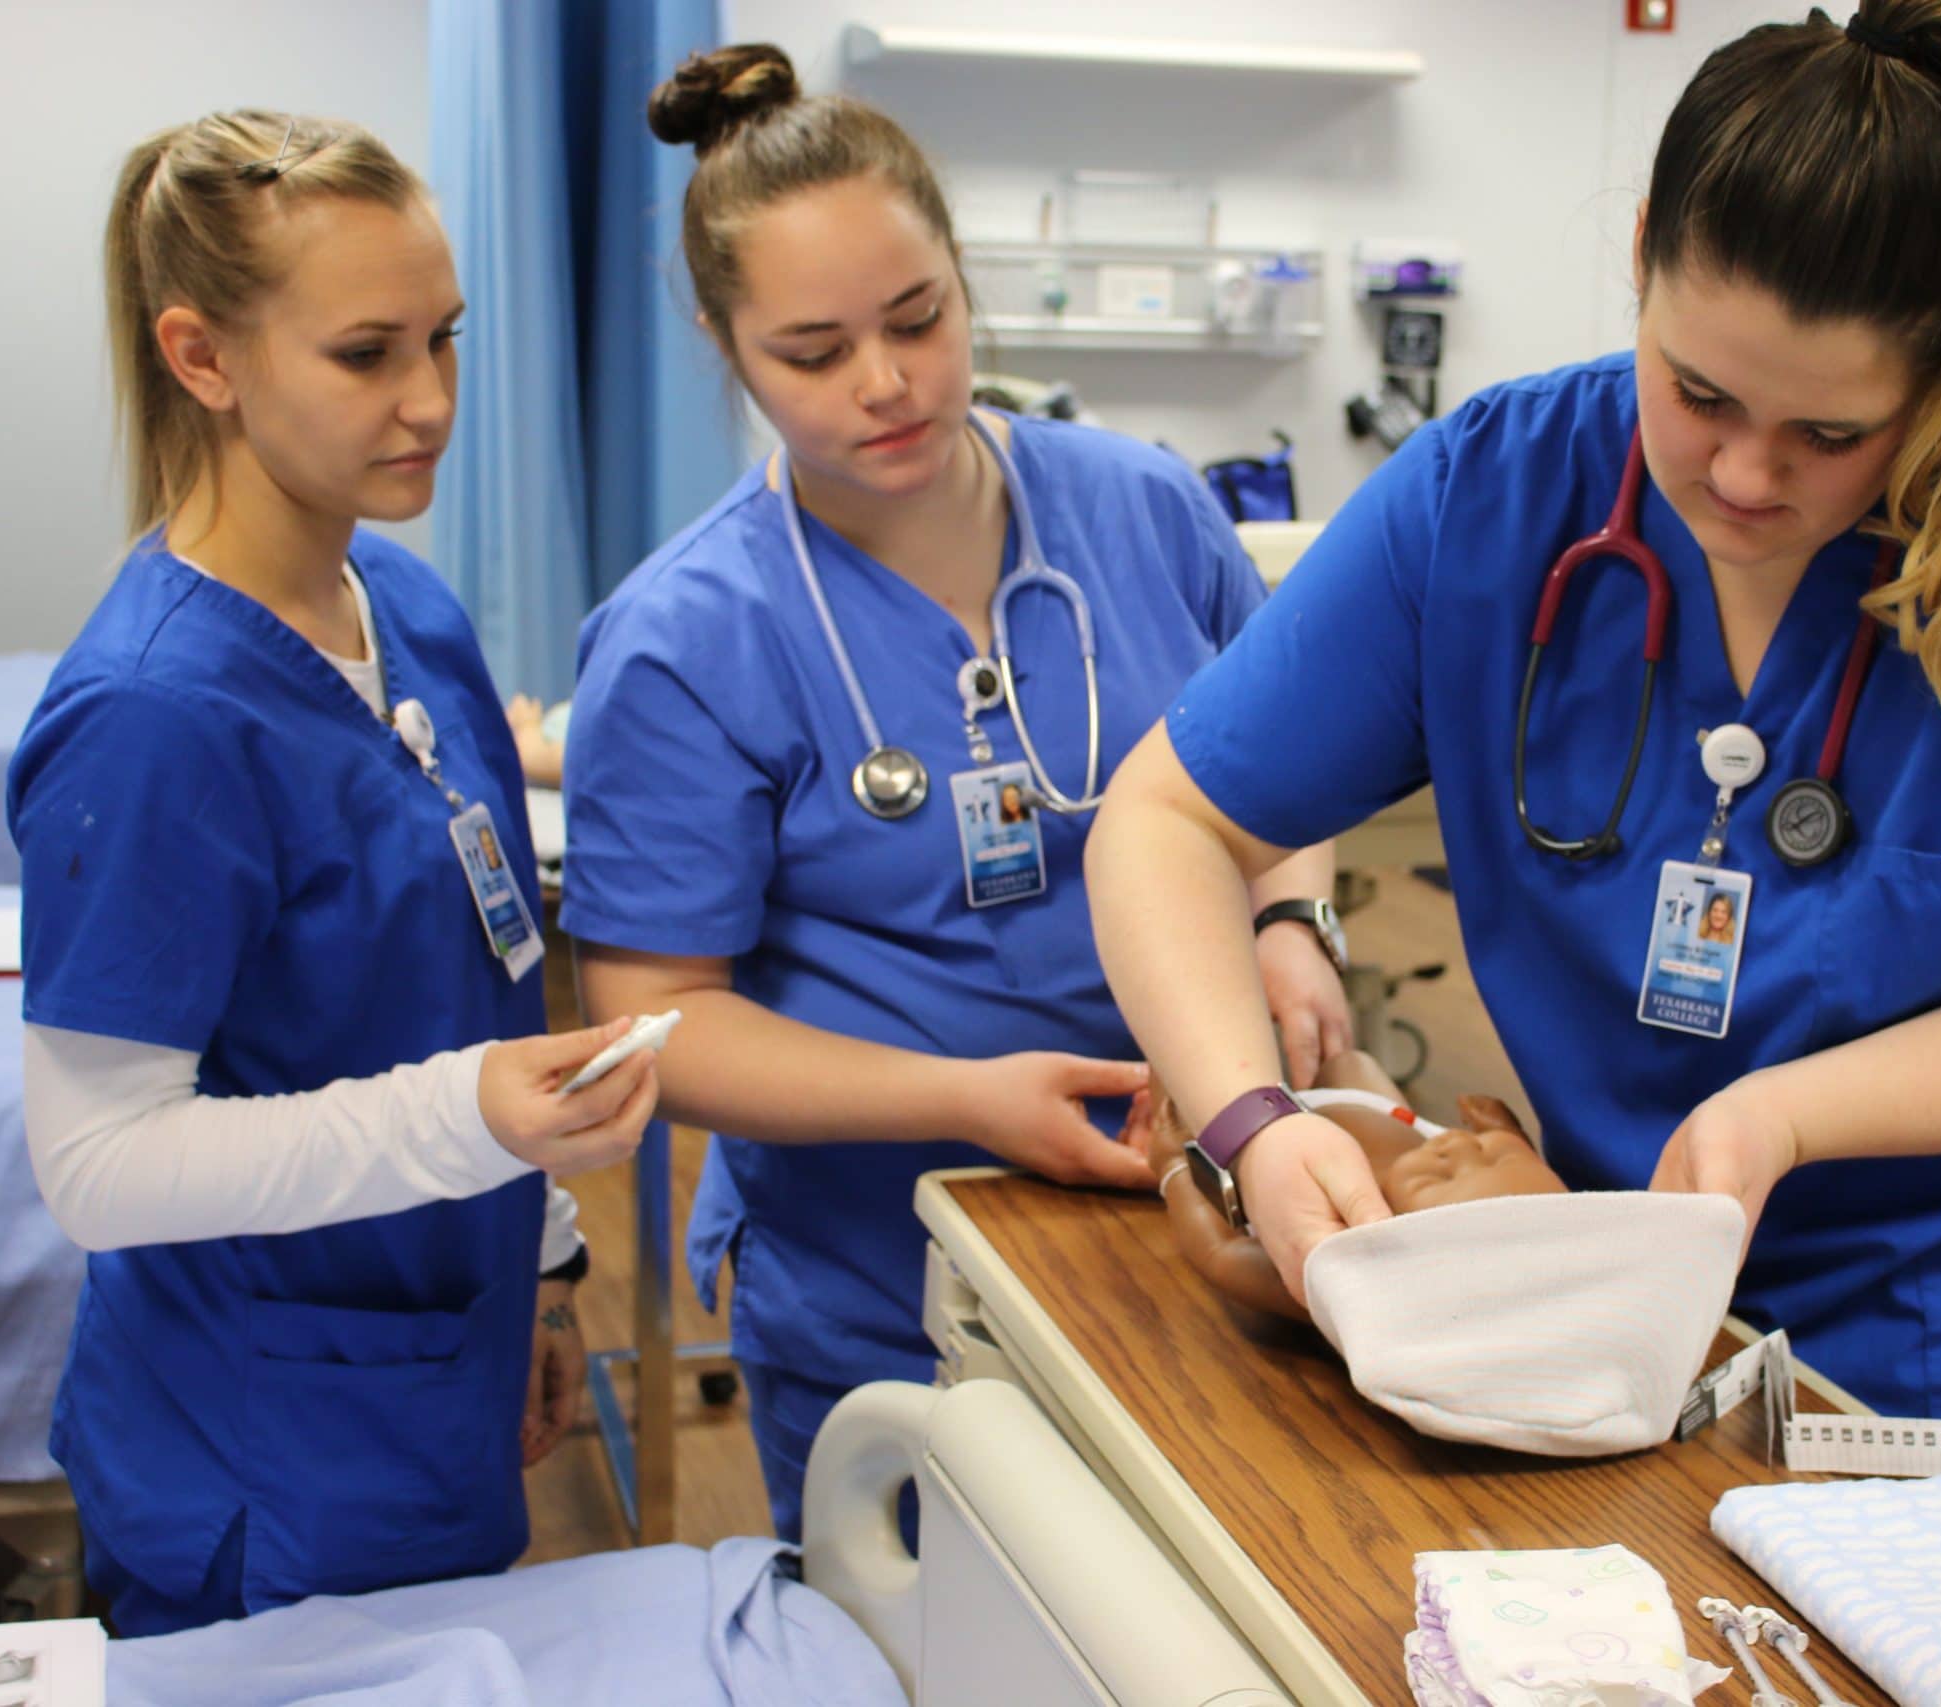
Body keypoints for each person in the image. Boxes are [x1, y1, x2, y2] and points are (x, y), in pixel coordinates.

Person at [1086, 0, 1941, 1566]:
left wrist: (1784, 1115)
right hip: (1629, 1345)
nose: (1745, 478)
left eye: (1831, 431)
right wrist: (1255, 1123)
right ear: (1639, 257)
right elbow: (1171, 820)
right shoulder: (1493, 501)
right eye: (1697, 394)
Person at [558, 45, 1350, 1540]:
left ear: (962, 283)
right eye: (812, 350)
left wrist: (1295, 913)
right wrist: (967, 1102)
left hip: (1199, 1221)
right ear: (729, 348)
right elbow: (655, 1021)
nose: (886, 381)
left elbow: (1276, 770)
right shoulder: (688, 638)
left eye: (919, 319)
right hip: (887, 1276)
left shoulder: (1145, 508)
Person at [9, 109, 658, 1635]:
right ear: (204, 357)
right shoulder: (155, 718)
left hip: (440, 1356)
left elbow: (473, 974)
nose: (429, 399)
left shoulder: (408, 609)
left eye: (443, 337)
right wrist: (467, 1121)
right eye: (366, 355)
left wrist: (547, 1262)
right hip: (258, 1455)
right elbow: (98, 1168)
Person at [1142, 1053, 1559, 1325]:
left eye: (1443, 1176)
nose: (1461, 1146)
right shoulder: (1540, 1218)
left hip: (1249, 1147)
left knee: (1179, 1073)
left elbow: (1219, 1254)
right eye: (1493, 1155)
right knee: (1350, 1060)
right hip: (1387, 1114)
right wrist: (1504, 1130)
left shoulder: (1336, 1272)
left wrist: (1173, 1165)